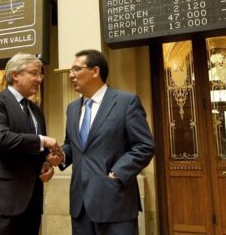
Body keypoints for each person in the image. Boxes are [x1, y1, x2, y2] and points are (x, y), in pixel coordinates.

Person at [49, 49, 155, 235]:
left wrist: (116, 174)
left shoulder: (126, 102)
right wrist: (62, 155)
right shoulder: (72, 108)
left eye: (76, 69)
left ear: (95, 71)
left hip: (115, 202)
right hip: (80, 206)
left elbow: (144, 146)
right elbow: (74, 146)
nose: (70, 75)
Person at [0, 53, 59, 235]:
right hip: (0, 202)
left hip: (31, 203)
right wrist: (43, 140)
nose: (39, 79)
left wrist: (46, 165)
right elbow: (0, 138)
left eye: (41, 75)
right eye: (34, 73)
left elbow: (36, 152)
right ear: (15, 75)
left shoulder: (36, 110)